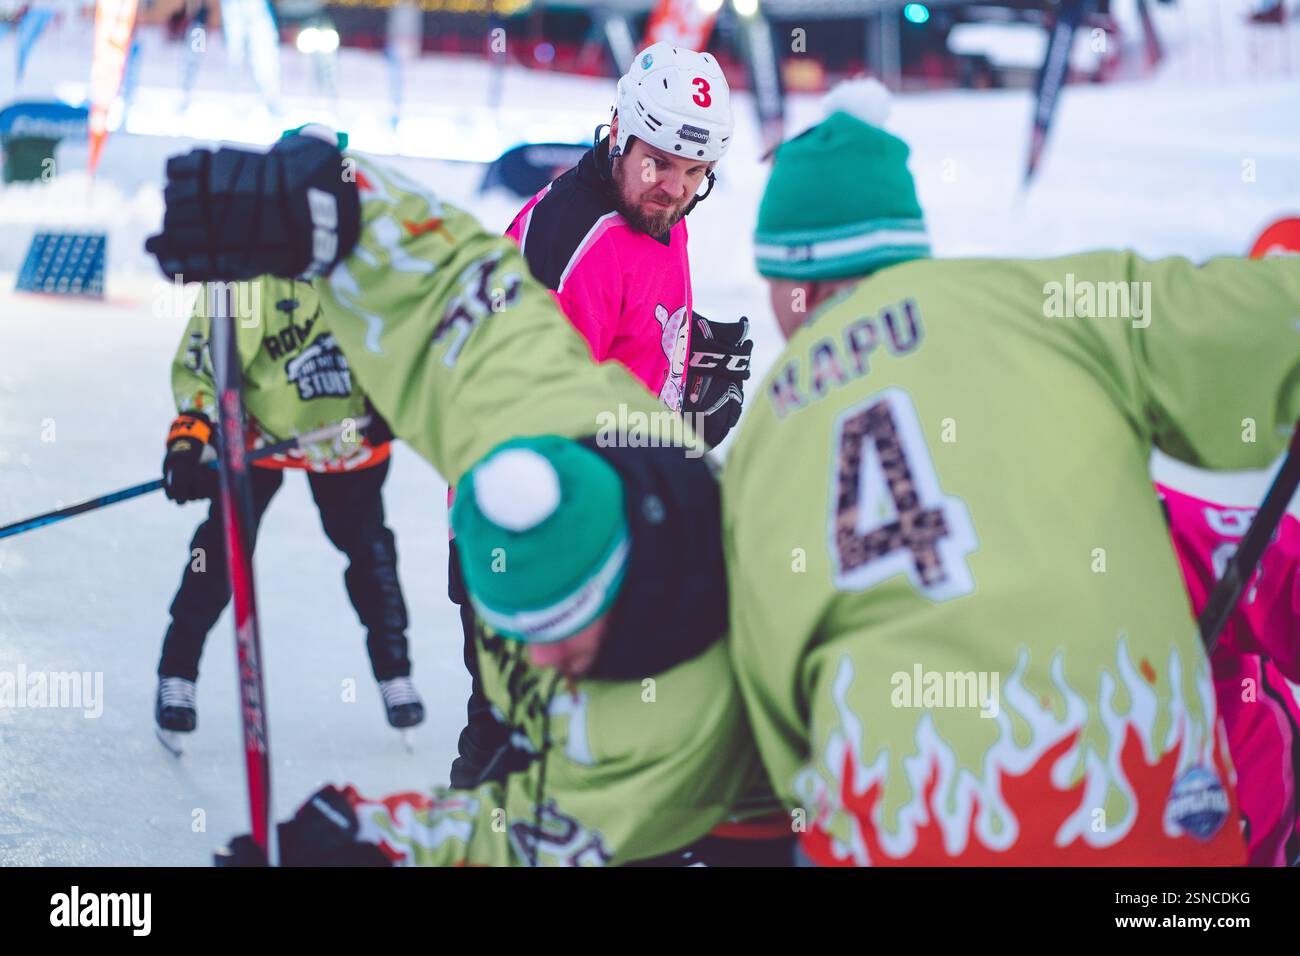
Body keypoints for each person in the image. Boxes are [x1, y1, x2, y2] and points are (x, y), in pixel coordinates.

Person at [145, 129, 781, 865]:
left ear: (623, 588)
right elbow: (459, 304)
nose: (538, 655)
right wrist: (338, 209)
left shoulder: (666, 725)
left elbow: (524, 838)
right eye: (518, 624)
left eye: (564, 628)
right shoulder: (534, 418)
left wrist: (391, 850)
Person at [722, 81, 1300, 864]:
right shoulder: (1039, 303)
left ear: (799, 282)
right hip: (1142, 841)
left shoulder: (760, 441)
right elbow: (1250, 327)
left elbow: (779, 719)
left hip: (902, 836)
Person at [447, 42, 753, 788]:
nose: (674, 188)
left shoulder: (655, 210)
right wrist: (661, 444)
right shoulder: (574, 242)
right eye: (660, 163)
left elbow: (618, 338)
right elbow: (529, 418)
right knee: (514, 742)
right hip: (530, 524)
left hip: (605, 506)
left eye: (695, 172)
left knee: (579, 744)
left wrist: (678, 368)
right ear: (619, 132)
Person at [156, 273, 423, 741]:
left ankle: (395, 672)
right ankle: (177, 670)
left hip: (348, 429)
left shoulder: (370, 258)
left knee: (368, 547)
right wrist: (192, 437)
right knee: (221, 546)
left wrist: (397, 398)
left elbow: (412, 335)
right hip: (258, 429)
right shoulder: (247, 270)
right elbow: (205, 360)